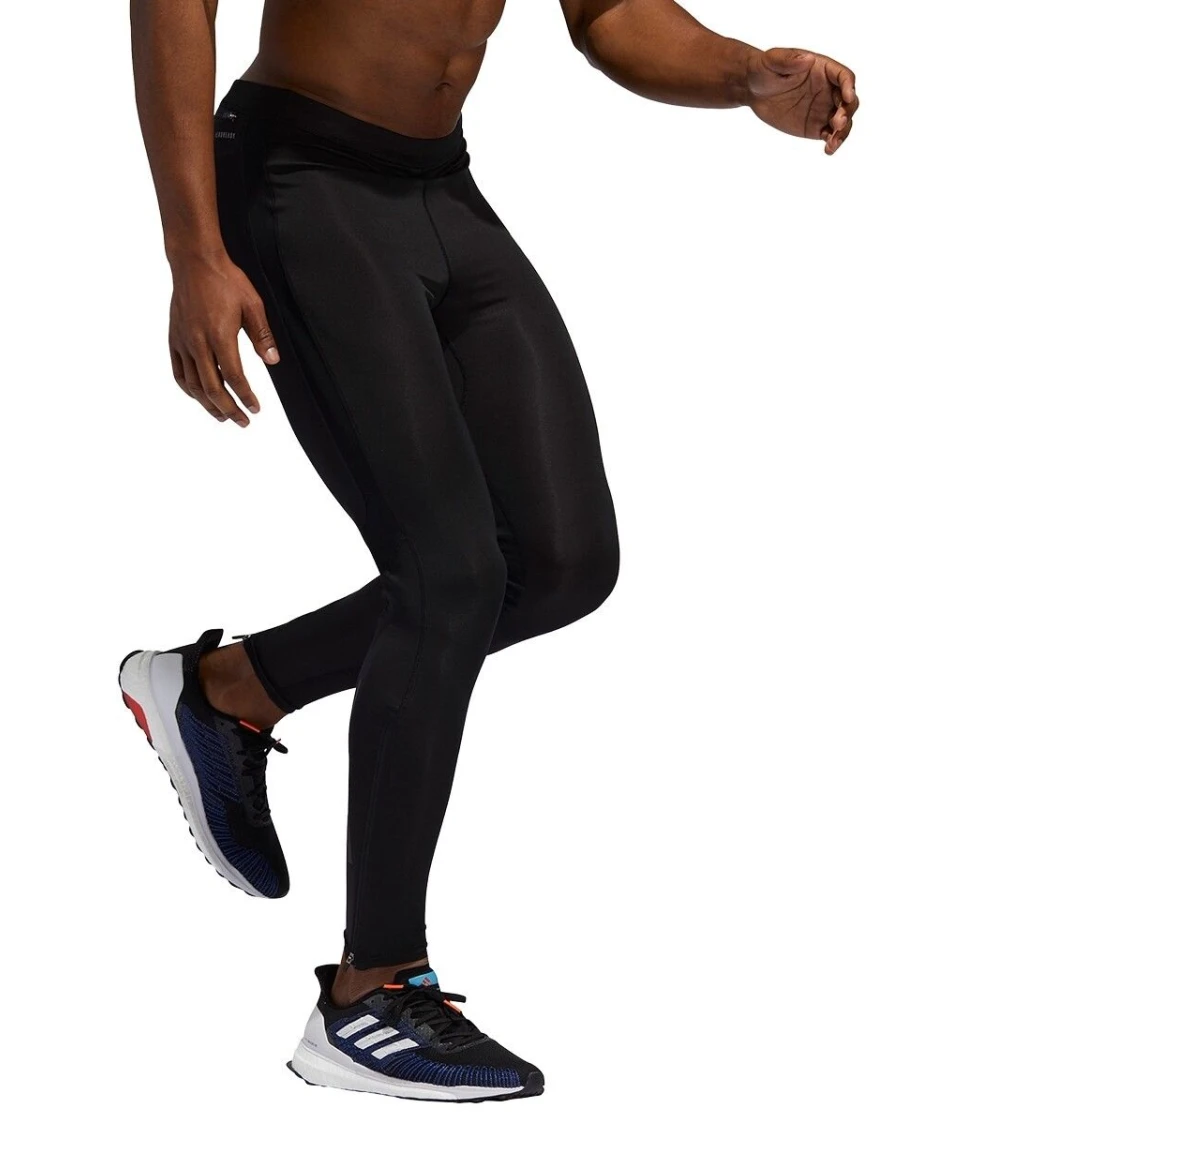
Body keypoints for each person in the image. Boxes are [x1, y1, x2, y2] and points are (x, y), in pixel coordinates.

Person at [119, 0, 858, 1102]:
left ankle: (227, 690)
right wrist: (194, 250)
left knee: (561, 562)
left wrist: (746, 72)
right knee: (451, 573)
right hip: (299, 178)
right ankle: (370, 991)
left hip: (437, 186)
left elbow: (610, 13)